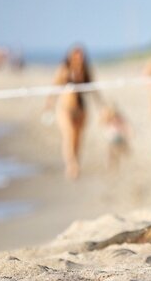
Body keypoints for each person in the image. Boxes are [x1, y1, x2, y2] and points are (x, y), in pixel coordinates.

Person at [44, 45, 101, 180]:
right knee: (68, 134)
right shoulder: (64, 69)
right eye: (76, 55)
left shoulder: (85, 70)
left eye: (81, 56)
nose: (79, 58)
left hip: (81, 108)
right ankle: (71, 164)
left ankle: (75, 161)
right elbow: (54, 88)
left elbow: (93, 89)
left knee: (78, 137)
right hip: (65, 108)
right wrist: (48, 105)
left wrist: (101, 106)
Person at [100, 103, 133, 171]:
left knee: (120, 151)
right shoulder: (108, 119)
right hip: (112, 139)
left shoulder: (119, 118)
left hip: (119, 138)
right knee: (111, 153)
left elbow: (126, 126)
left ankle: (115, 163)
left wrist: (129, 132)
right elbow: (102, 122)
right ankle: (111, 164)